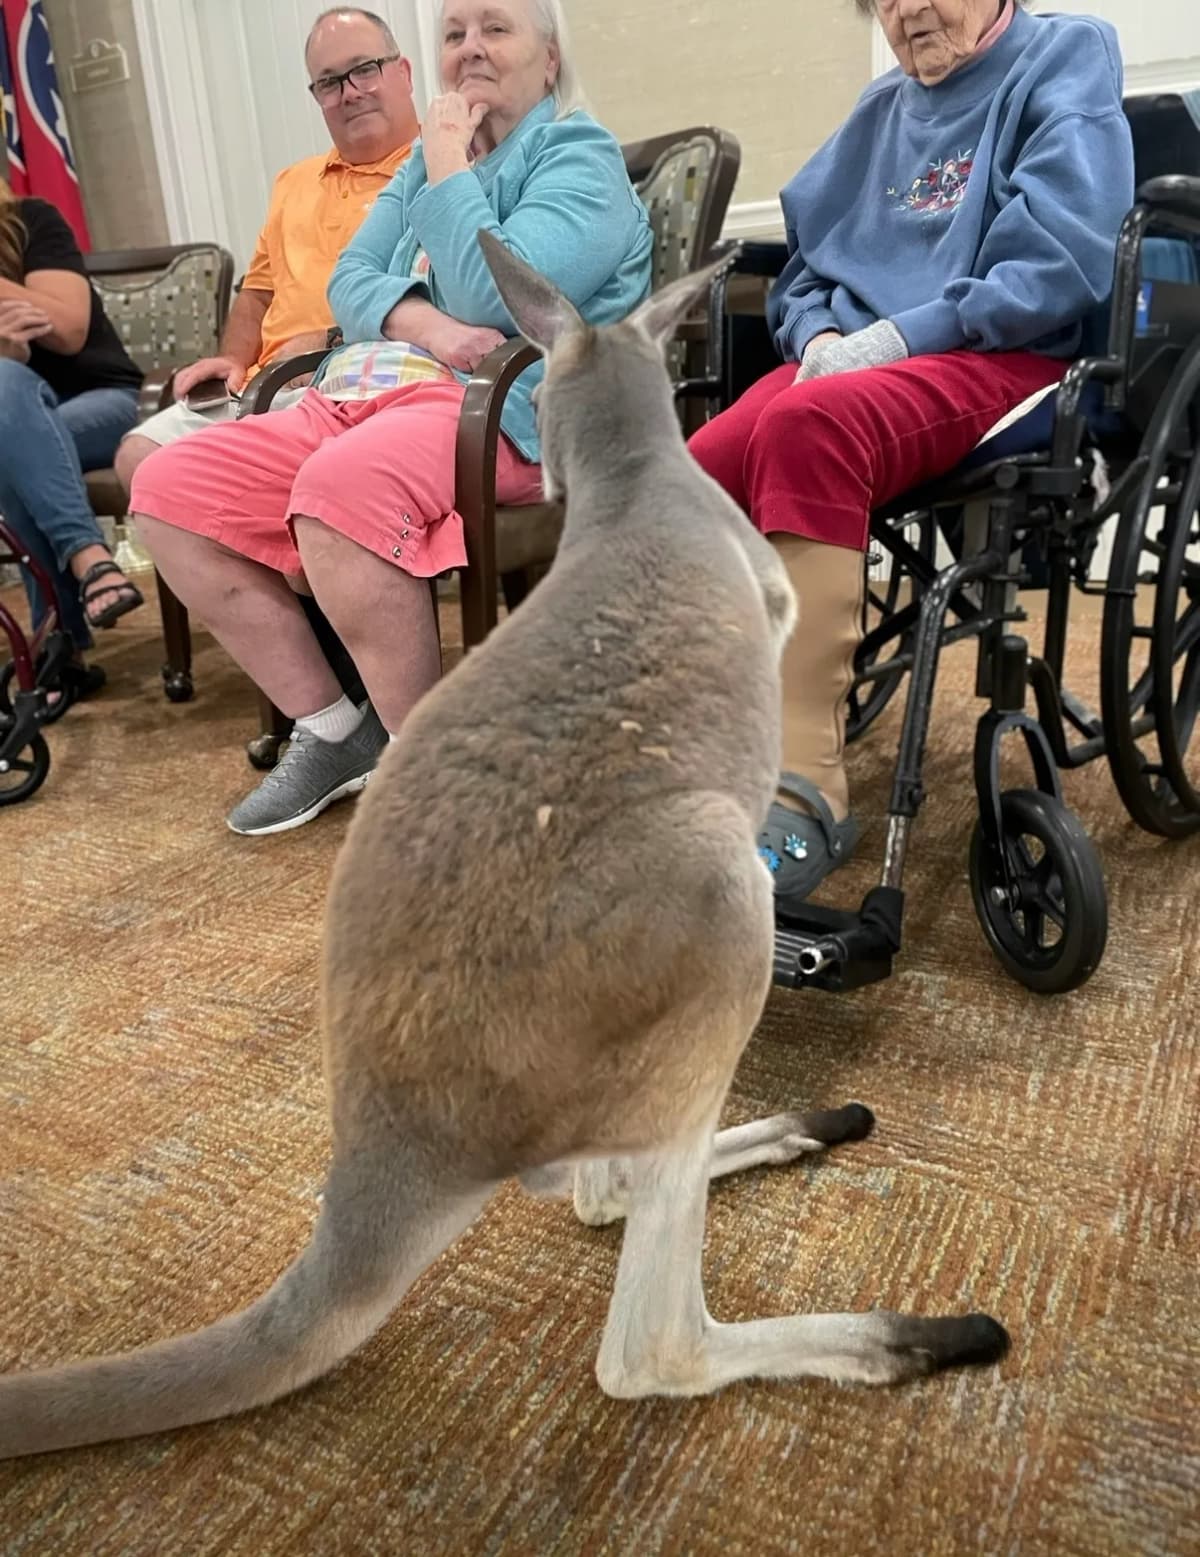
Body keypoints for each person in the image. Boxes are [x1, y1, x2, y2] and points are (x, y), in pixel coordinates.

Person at [128, 0, 653, 838]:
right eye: (453, 34)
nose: (470, 49)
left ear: (549, 61)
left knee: (339, 490)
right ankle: (335, 728)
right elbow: (351, 281)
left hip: (505, 414)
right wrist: (428, 324)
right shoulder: (426, 169)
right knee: (166, 487)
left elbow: (497, 293)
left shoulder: (576, 158)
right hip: (364, 393)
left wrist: (444, 163)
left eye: (495, 29)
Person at [688, 0, 1135, 911]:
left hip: (999, 353)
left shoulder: (1063, 56)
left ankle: (802, 785)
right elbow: (807, 268)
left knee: (809, 433)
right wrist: (815, 336)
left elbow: (1059, 261)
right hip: (855, 361)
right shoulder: (879, 108)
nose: (910, 9)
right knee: (692, 466)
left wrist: (900, 339)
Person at [114, 5, 422, 487]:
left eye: (365, 69)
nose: (350, 93)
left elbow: (443, 303)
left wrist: (330, 339)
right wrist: (235, 360)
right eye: (329, 82)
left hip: (358, 385)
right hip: (263, 390)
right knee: (139, 455)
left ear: (402, 73)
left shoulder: (439, 173)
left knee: (265, 477)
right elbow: (257, 294)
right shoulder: (294, 183)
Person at [0, 178, 144, 685]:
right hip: (12, 422)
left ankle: (60, 643)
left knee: (11, 444)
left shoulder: (31, 221)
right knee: (7, 416)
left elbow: (69, 329)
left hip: (97, 400)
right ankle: (92, 566)